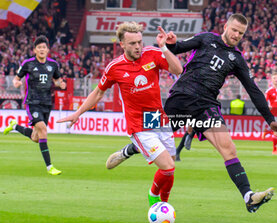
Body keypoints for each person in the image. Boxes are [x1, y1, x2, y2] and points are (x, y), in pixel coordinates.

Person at [107, 14, 277, 213]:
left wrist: (270, 119)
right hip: (181, 98)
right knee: (149, 132)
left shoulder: (237, 59)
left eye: (240, 33)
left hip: (206, 106)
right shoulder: (206, 38)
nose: (236, 35)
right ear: (225, 26)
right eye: (234, 30)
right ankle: (129, 150)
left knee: (229, 148)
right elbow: (177, 49)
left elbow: (253, 89)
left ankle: (249, 197)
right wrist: (170, 44)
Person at [57, 22, 183, 206]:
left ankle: (164, 204)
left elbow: (177, 69)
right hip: (138, 125)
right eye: (132, 43)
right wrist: (78, 113)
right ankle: (154, 198)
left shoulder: (153, 54)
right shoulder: (115, 67)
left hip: (158, 118)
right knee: (167, 167)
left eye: (139, 42)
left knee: (170, 168)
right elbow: (98, 92)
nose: (138, 46)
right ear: (122, 44)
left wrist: (163, 47)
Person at [3, 35, 66, 175]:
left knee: (36, 137)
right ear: (35, 50)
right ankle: (50, 167)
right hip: (32, 102)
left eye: (44, 47)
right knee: (43, 130)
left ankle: (14, 126)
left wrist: (61, 84)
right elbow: (16, 79)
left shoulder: (53, 65)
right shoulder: (28, 64)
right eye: (39, 47)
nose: (42, 50)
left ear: (48, 49)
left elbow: (57, 80)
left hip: (46, 103)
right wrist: (17, 83)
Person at [262, 73, 277, 155]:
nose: (276, 79)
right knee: (276, 132)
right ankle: (274, 150)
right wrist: (267, 106)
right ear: (271, 80)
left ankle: (267, 132)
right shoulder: (269, 91)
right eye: (274, 78)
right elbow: (264, 101)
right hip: (273, 114)